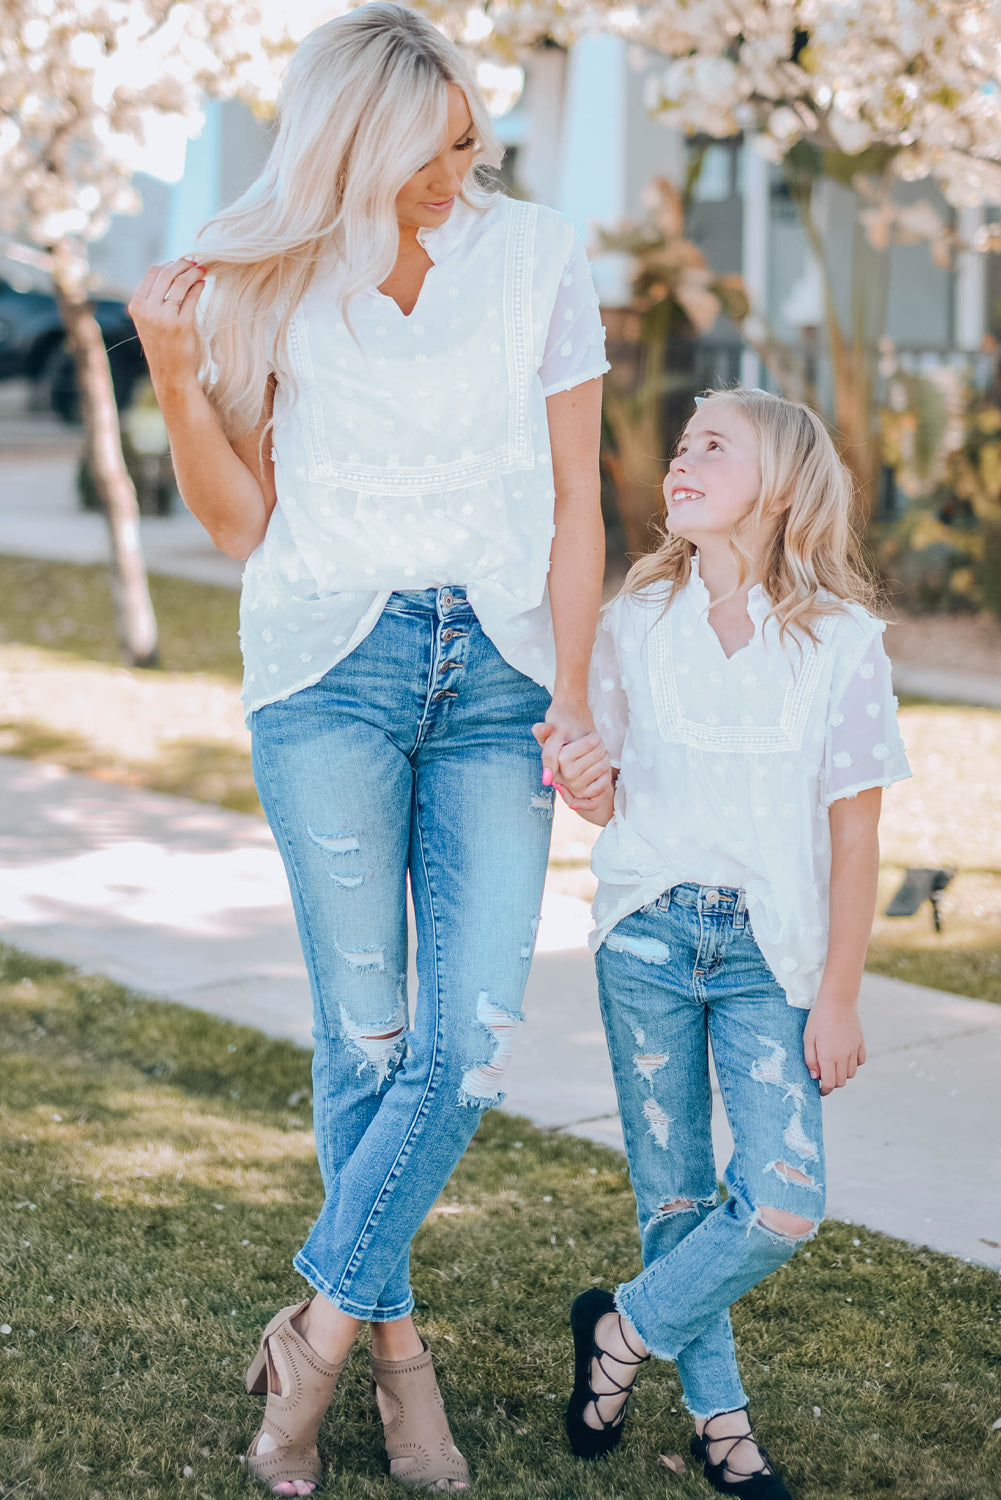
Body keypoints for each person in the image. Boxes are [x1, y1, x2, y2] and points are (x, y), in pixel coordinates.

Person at [128, 5, 607, 1493]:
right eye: (426, 155)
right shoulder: (257, 265)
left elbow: (581, 503)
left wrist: (577, 695)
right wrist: (166, 358)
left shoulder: (535, 254)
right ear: (352, 147)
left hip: (501, 677)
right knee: (370, 1040)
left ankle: (320, 1338)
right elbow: (235, 523)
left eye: (471, 143)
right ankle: (402, 1360)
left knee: (467, 1047)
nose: (457, 174)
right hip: (328, 669)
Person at [543, 388, 911, 1498]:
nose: (681, 459)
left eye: (715, 446)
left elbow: (855, 843)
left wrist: (838, 996)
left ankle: (620, 1330)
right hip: (645, 936)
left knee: (782, 1199)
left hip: (770, 956)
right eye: (681, 444)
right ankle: (723, 1429)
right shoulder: (632, 620)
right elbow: (602, 797)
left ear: (783, 484)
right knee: (673, 1201)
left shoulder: (842, 647)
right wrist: (586, 780)